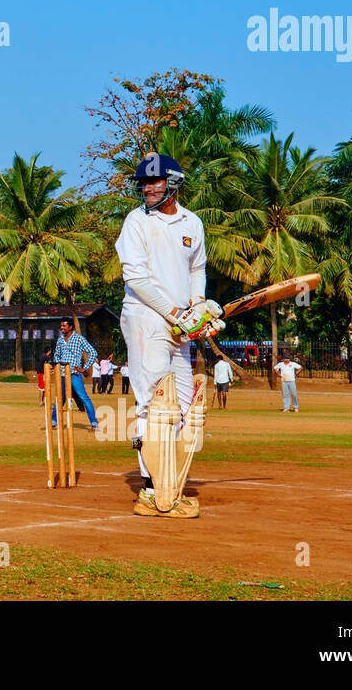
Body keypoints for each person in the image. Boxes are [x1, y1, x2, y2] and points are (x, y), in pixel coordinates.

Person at [115, 153, 224, 519]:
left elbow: (197, 269)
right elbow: (136, 278)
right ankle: (149, 491)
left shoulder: (192, 223)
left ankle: (169, 485)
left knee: (181, 408)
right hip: (147, 319)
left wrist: (197, 309)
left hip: (180, 326)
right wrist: (176, 313)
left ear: (174, 182)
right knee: (151, 403)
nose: (147, 188)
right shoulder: (136, 222)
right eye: (143, 183)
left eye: (155, 181)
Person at [51, 319, 100, 430]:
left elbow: (93, 352)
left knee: (84, 398)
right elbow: (56, 355)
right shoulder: (60, 340)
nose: (62, 328)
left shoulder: (79, 339)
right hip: (62, 375)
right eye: (61, 326)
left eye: (64, 326)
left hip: (74, 374)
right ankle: (53, 422)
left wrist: (84, 368)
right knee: (59, 399)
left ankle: (94, 424)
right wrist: (56, 366)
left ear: (70, 327)